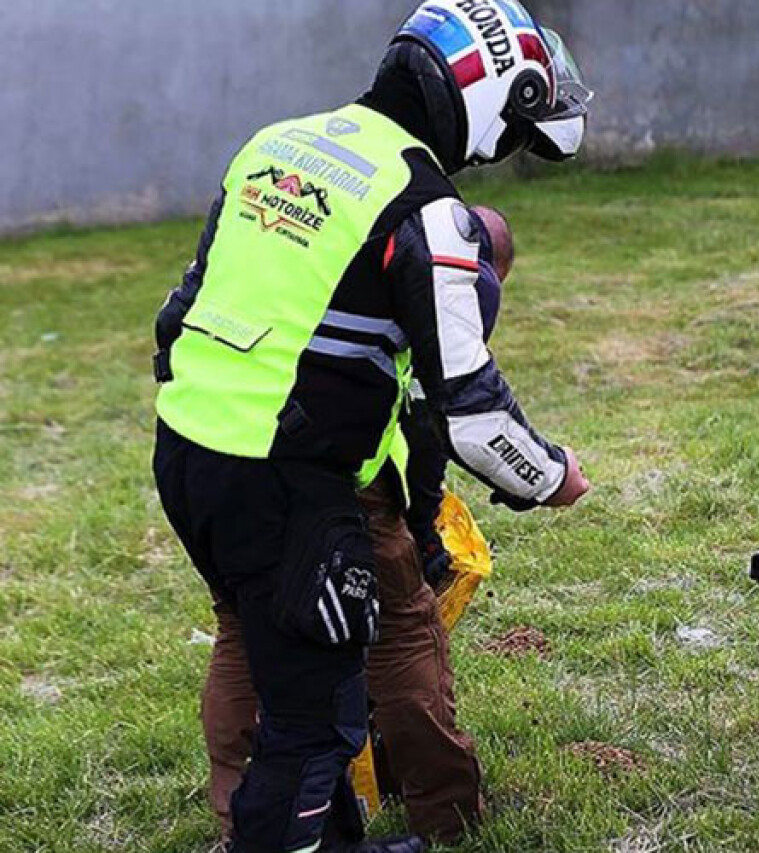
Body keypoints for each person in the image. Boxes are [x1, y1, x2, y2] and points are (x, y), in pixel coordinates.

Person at [151, 3, 592, 850]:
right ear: (492, 93)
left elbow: (180, 315)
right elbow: (468, 409)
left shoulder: (276, 144)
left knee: (269, 652)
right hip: (288, 477)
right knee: (315, 722)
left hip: (187, 447)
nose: (497, 155)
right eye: (511, 133)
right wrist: (552, 473)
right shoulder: (425, 207)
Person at [202, 207, 517, 847]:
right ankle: (446, 812)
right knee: (403, 629)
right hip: (332, 480)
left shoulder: (284, 234)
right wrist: (423, 524)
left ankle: (237, 803)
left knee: (241, 625)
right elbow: (431, 414)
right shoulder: (439, 273)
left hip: (211, 452)